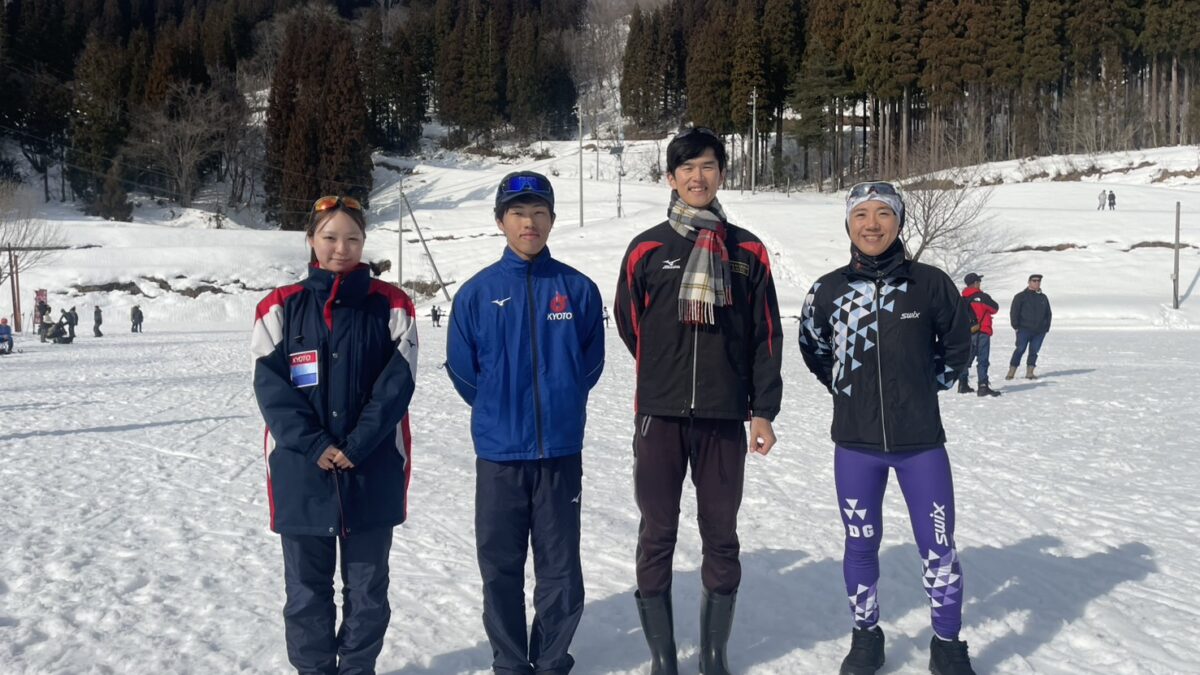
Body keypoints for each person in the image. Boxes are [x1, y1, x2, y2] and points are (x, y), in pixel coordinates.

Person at [615, 127, 783, 675]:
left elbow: (765, 336)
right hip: (659, 417)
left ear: (722, 174)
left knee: (721, 536)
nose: (697, 176)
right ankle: (663, 657)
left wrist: (762, 410)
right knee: (657, 534)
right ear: (670, 178)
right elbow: (630, 323)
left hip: (722, 418)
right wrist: (662, 369)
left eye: (708, 166)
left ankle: (714, 655)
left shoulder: (748, 251)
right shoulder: (646, 248)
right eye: (686, 167)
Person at [798, 181, 976, 675]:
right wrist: (846, 388)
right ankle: (866, 637)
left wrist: (924, 385)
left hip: (921, 445)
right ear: (848, 223)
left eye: (883, 213)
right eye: (861, 214)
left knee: (939, 548)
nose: (871, 224)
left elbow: (958, 345)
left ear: (899, 222)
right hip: (856, 446)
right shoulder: (828, 290)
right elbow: (814, 348)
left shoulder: (930, 283)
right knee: (860, 544)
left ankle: (947, 645)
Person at [251, 194, 419, 675]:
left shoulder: (393, 305)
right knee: (306, 593)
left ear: (364, 242)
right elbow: (272, 389)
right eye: (329, 237)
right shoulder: (279, 307)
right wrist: (316, 444)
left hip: (371, 471)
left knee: (368, 593)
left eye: (352, 239)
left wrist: (356, 445)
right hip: (302, 474)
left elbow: (397, 385)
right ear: (311, 240)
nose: (341, 248)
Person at [446, 171, 604, 675]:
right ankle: (511, 664)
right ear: (501, 221)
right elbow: (463, 371)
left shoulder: (578, 289)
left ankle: (552, 661)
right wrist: (498, 408)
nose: (528, 222)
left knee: (560, 568)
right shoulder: (476, 294)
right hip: (499, 455)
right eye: (517, 213)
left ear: (552, 220)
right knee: (500, 568)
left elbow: (590, 365)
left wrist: (561, 402)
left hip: (560, 451)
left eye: (539, 213)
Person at [958, 273, 1001, 397]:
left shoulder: (961, 299)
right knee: (982, 360)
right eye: (979, 282)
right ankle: (983, 386)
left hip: (966, 333)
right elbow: (995, 308)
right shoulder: (982, 297)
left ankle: (962, 384)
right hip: (982, 331)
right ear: (976, 283)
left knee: (966, 359)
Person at [1006, 274, 1052, 380]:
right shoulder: (1020, 296)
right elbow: (1014, 312)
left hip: (1039, 331)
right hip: (1024, 329)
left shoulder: (1043, 297)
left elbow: (1048, 313)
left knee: (1034, 351)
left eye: (1038, 281)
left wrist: (1046, 327)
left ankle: (1030, 372)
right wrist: (1015, 326)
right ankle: (1011, 372)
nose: (1037, 283)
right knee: (1020, 349)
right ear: (1029, 282)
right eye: (1034, 281)